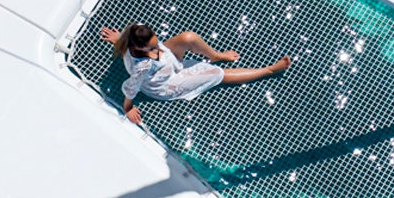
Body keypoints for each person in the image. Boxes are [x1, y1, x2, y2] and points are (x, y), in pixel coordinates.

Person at [99, 24, 291, 125]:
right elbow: (132, 87)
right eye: (152, 47)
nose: (157, 48)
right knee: (215, 73)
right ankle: (268, 70)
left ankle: (216, 55)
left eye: (156, 43)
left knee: (188, 38)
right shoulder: (142, 66)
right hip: (165, 82)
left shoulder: (134, 36)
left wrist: (118, 39)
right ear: (138, 48)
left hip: (168, 64)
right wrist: (128, 107)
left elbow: (130, 41)